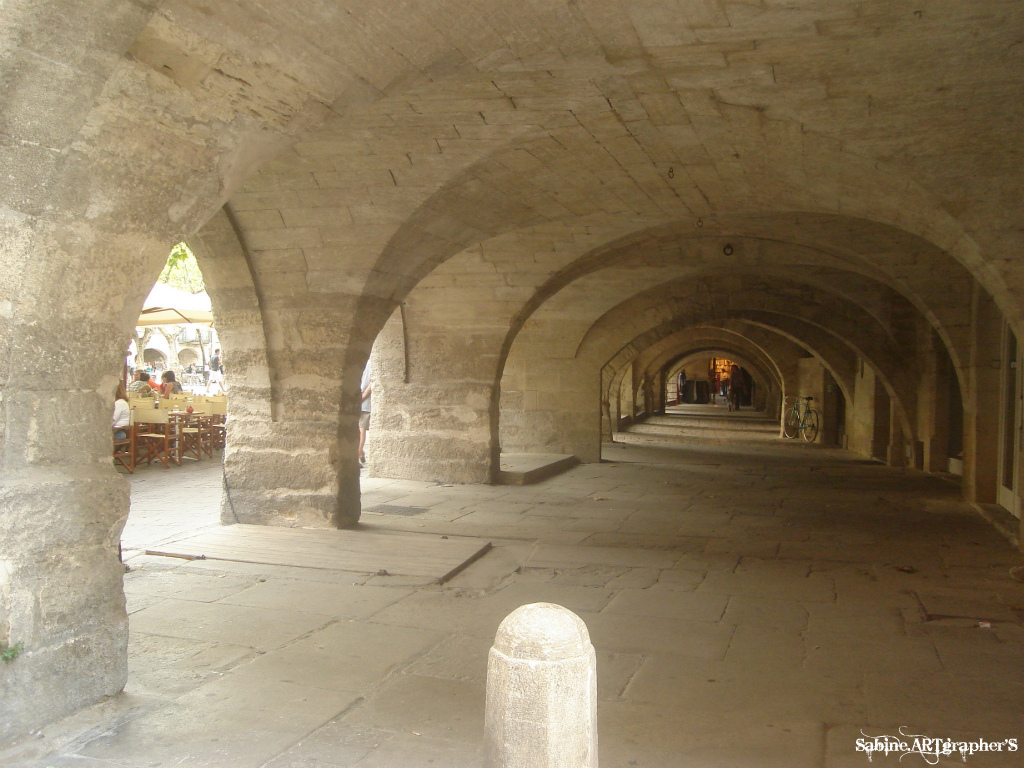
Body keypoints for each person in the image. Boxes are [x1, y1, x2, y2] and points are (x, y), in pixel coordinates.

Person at [358, 360, 372, 467]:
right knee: (360, 428)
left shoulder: (371, 361)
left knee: (361, 429)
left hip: (365, 401)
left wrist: (362, 398)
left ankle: (358, 452)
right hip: (362, 400)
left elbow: (372, 382)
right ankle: (360, 452)